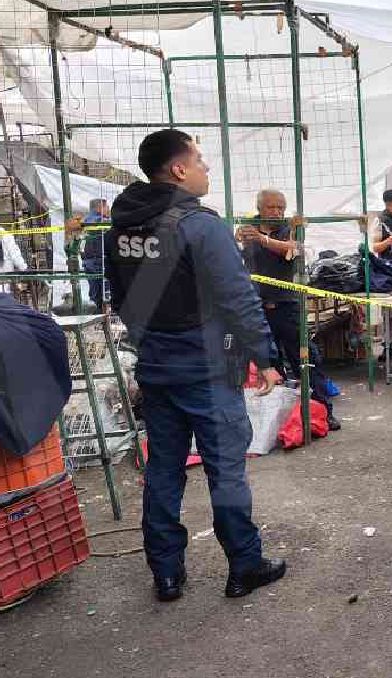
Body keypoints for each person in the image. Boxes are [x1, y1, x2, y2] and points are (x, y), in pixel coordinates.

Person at [104, 129, 287, 603]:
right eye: (200, 160)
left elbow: (121, 301)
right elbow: (239, 298)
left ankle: (166, 574)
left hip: (156, 370)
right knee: (225, 472)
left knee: (163, 471)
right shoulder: (200, 225)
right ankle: (244, 566)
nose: (206, 168)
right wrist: (266, 358)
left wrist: (155, 343)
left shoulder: (120, 229)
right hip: (206, 372)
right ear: (179, 169)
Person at [237, 189, 340, 429]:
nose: (277, 212)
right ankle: (277, 418)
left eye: (280, 207)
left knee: (306, 359)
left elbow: (292, 250)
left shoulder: (290, 227)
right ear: (259, 208)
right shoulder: (247, 227)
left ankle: (324, 411)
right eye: (271, 207)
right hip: (257, 307)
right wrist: (239, 238)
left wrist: (262, 239)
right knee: (270, 362)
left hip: (287, 306)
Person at [81, 198, 112, 311]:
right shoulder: (95, 220)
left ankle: (98, 316)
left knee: (96, 294)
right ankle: (102, 316)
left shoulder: (87, 219)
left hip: (91, 262)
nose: (108, 209)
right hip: (97, 263)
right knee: (105, 294)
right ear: (99, 207)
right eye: (106, 207)